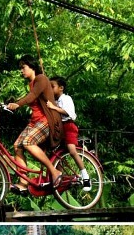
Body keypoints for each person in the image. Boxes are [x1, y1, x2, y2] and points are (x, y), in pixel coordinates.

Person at [7, 55, 63, 194]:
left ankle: (54, 171)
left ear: (31, 67)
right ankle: (23, 183)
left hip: (47, 120)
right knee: (17, 145)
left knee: (28, 142)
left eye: (23, 67)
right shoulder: (31, 83)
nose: (21, 71)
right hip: (35, 121)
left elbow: (31, 96)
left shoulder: (41, 79)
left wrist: (17, 104)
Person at [47, 76, 91, 191]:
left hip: (68, 126)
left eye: (53, 86)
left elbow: (68, 112)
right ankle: (59, 177)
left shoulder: (66, 98)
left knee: (71, 150)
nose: (51, 89)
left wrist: (53, 107)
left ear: (61, 88)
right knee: (55, 155)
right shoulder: (54, 100)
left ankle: (85, 175)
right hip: (59, 129)